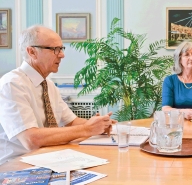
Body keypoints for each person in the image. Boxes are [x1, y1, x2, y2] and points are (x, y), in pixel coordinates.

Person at [0, 25, 116, 165]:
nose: (62, 55)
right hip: (16, 166)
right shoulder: (11, 84)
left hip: (48, 159)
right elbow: (31, 140)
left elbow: (72, 121)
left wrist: (100, 125)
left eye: (61, 49)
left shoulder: (49, 85)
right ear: (32, 52)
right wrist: (87, 129)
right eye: (55, 49)